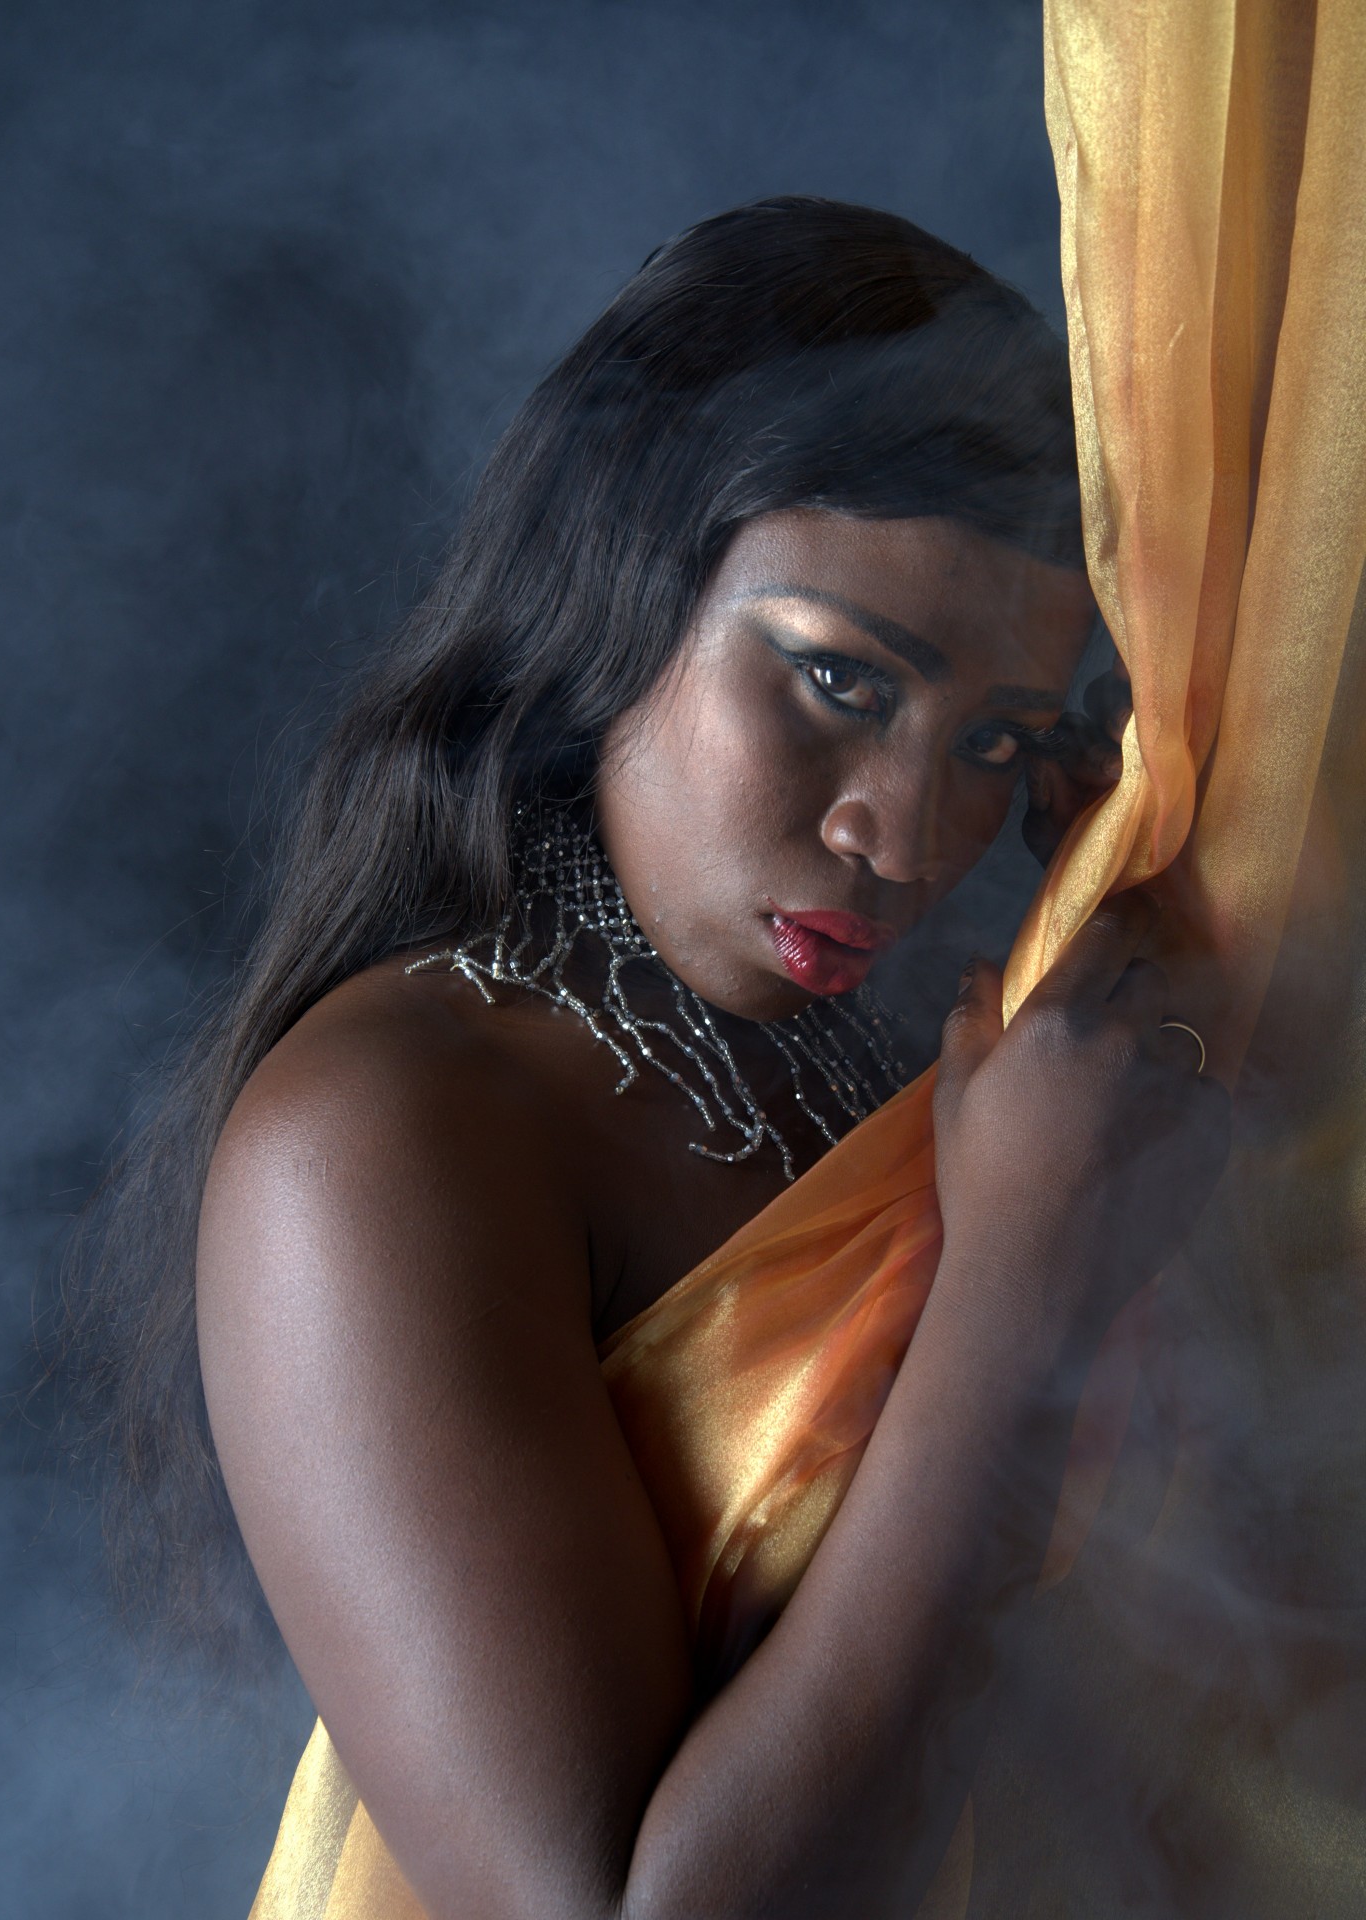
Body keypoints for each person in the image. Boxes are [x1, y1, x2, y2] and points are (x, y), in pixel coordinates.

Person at [84, 197, 1229, 1917]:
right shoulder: (388, 1128)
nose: (907, 833)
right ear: (619, 589)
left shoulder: (892, 1044)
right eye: (842, 683)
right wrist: (1021, 1290)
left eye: (992, 742)